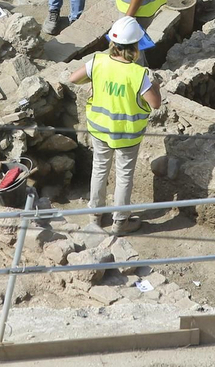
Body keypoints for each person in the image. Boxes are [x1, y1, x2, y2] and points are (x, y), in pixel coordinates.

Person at [68, 16, 163, 233]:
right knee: (124, 175)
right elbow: (155, 103)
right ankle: (120, 222)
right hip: (127, 134)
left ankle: (95, 216)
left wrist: (94, 82)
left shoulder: (98, 61)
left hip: (99, 129)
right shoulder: (138, 74)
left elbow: (73, 78)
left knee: (99, 169)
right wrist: (155, 86)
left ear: (113, 43)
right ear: (136, 47)